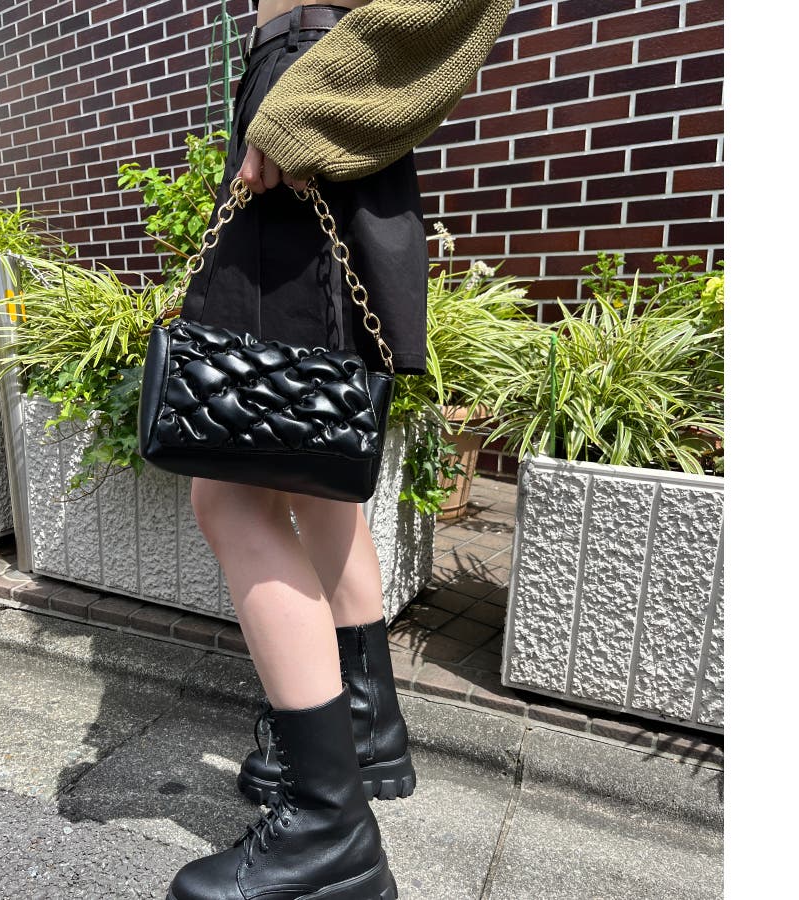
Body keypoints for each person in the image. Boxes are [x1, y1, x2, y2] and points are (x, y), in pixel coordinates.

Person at [167, 2, 513, 898]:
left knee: (234, 487)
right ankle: (361, 727)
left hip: (311, 103)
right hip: (313, 100)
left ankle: (329, 831)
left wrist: (297, 105)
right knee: (311, 464)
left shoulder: (307, 90)